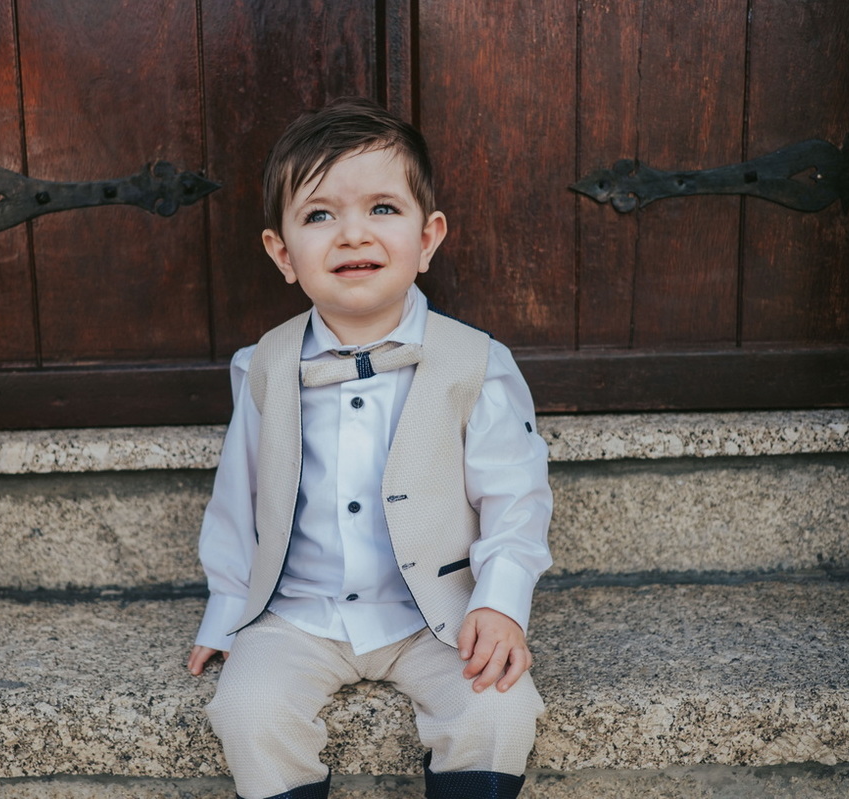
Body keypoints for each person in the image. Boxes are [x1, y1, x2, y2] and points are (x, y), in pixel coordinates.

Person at [187, 96, 553, 799]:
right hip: (298, 613)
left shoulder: (476, 363)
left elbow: (515, 496)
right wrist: (228, 610)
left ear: (428, 237)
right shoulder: (264, 365)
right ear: (282, 252)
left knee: (497, 711)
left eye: (383, 208)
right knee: (249, 712)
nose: (353, 234)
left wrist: (502, 601)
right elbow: (239, 496)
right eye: (319, 215)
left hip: (438, 617)